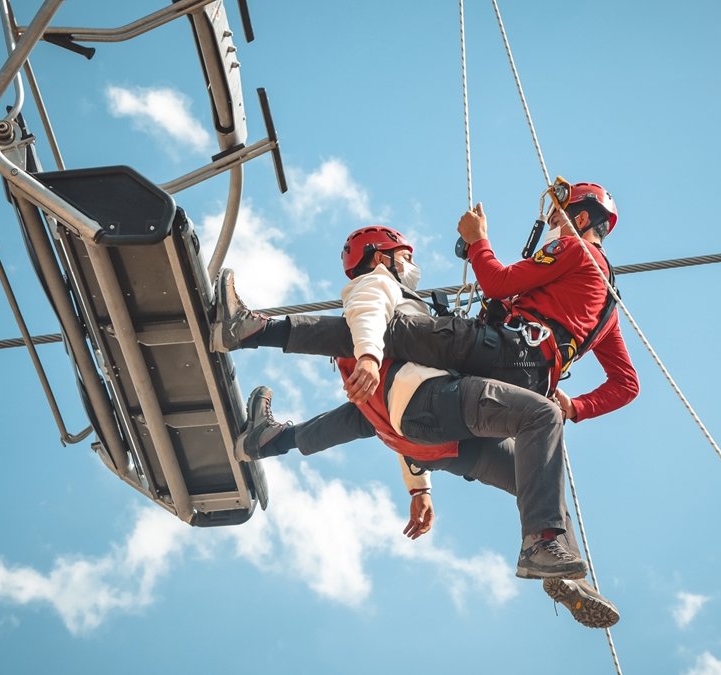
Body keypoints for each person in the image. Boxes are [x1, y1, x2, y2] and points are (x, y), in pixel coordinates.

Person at [227, 224, 621, 628]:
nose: (412, 263)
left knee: (537, 474)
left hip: (421, 434)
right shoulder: (382, 285)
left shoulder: (387, 363)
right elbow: (364, 314)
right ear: (383, 257)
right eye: (405, 256)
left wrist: (418, 486)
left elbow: (376, 419)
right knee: (541, 417)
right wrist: (366, 355)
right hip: (434, 415)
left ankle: (270, 439)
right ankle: (255, 330)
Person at [210, 181, 639, 424]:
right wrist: (576, 406)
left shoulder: (574, 251)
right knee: (396, 396)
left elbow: (496, 282)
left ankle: (252, 330)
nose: (552, 226)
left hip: (503, 352)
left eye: (558, 216)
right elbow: (626, 385)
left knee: (379, 332)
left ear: (580, 219)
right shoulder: (607, 307)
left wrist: (477, 241)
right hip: (530, 385)